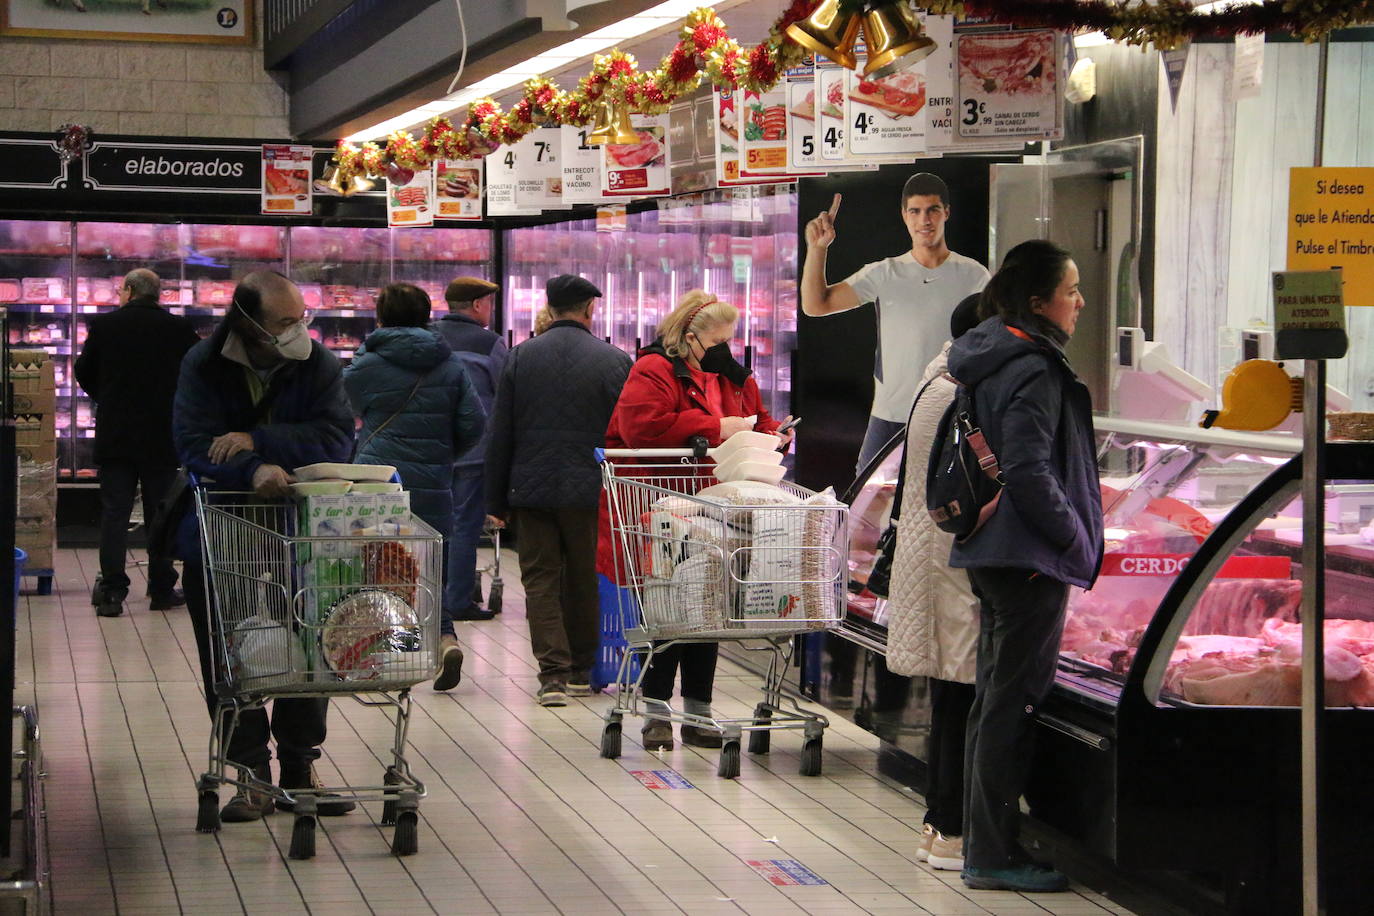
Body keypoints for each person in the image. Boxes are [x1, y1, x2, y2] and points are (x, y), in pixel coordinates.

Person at [945, 240, 1103, 893]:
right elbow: (1029, 468)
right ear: (1040, 303)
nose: (1080, 302)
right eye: (1071, 291)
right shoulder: (1033, 367)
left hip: (993, 551)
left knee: (993, 702)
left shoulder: (988, 353)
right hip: (1028, 555)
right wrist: (1075, 540)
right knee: (1012, 706)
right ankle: (992, 853)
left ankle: (984, 841)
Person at [173, 270, 357, 823]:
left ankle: (300, 769)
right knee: (230, 654)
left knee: (310, 649)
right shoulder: (203, 365)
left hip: (304, 532)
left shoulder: (317, 364)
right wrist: (253, 470)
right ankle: (250, 772)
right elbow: (192, 443)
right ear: (248, 323)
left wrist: (257, 440)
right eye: (283, 322)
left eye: (302, 317)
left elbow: (336, 436)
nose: (298, 329)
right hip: (224, 529)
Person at [601, 290, 792, 751]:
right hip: (658, 504)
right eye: (717, 339)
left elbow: (760, 422)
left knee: (709, 607)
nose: (727, 348)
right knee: (667, 609)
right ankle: (656, 713)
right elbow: (641, 430)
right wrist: (715, 429)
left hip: (715, 504)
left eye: (731, 338)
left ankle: (699, 713)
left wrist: (773, 437)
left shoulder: (732, 378)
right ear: (688, 337)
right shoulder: (652, 371)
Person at [486, 275, 632, 707]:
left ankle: (551, 674)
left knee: (540, 578)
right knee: (586, 576)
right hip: (591, 489)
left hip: (530, 488)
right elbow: (623, 435)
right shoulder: (614, 361)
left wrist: (495, 501)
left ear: (550, 310)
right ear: (589, 309)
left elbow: (500, 434)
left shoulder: (520, 357)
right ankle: (580, 670)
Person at [884, 293, 983, 872]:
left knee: (950, 699)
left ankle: (936, 824)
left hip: (931, 556)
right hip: (954, 562)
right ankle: (951, 829)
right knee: (962, 697)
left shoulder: (933, 382)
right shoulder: (961, 393)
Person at [801, 173, 990, 474]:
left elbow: (987, 345)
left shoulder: (975, 275)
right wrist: (817, 249)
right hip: (890, 412)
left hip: (949, 412)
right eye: (915, 211)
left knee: (944, 503)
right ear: (904, 215)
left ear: (946, 213)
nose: (924, 220)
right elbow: (815, 304)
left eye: (932, 210)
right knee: (866, 503)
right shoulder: (884, 273)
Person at [347, 283, 486, 691]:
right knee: (428, 571)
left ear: (381, 317)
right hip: (434, 481)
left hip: (378, 482)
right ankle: (444, 641)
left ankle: (397, 657)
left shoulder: (368, 361)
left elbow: (344, 405)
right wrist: (444, 453)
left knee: (384, 569)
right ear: (428, 314)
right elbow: (475, 423)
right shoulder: (449, 363)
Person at [74, 268, 200, 618]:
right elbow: (196, 373)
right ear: (157, 294)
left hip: (117, 433)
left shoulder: (106, 326)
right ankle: (161, 588)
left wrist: (106, 397)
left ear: (129, 290)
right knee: (160, 513)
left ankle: (113, 591)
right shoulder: (177, 328)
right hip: (160, 433)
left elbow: (82, 370)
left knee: (115, 512)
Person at [432, 276, 509, 625]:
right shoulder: (490, 344)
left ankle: (429, 598)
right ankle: (457, 600)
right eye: (488, 303)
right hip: (474, 452)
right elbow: (506, 394)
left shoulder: (428, 338)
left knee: (432, 527)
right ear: (478, 305)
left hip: (432, 449)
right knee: (464, 527)